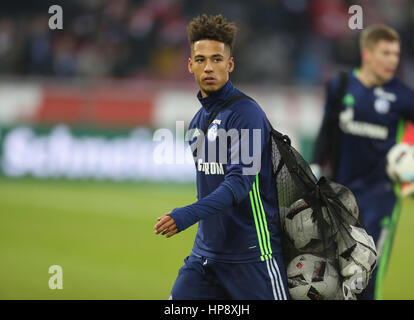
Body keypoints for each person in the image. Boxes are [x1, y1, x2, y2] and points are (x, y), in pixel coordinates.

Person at [154, 14, 289, 300]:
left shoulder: (247, 114)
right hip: (205, 257)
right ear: (190, 65)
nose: (208, 67)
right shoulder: (195, 124)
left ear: (230, 64)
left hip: (253, 256)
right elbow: (211, 185)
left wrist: (186, 214)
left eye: (217, 59)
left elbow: (240, 183)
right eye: (200, 59)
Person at [311, 24, 414, 300]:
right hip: (338, 194)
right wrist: (315, 165)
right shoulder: (340, 86)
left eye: (396, 54)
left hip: (380, 197)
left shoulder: (403, 97)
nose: (393, 60)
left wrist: (409, 168)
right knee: (332, 273)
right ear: (367, 54)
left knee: (367, 274)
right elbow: (326, 130)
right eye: (386, 53)